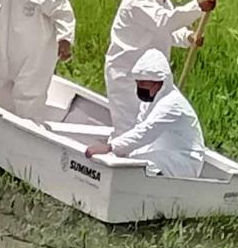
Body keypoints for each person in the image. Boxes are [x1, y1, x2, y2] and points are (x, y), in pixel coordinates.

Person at [104, 0, 216, 137]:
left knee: (150, 124)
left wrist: (188, 37)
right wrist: (197, 7)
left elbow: (166, 30)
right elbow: (164, 22)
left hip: (151, 78)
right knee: (129, 127)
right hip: (126, 74)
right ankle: (119, 159)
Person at [85, 48, 206, 178]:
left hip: (182, 161)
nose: (139, 88)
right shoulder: (150, 101)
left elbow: (145, 131)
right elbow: (139, 127)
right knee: (131, 160)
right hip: (161, 152)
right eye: (137, 82)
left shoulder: (172, 104)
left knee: (139, 166)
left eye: (143, 83)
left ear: (158, 82)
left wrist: (110, 147)